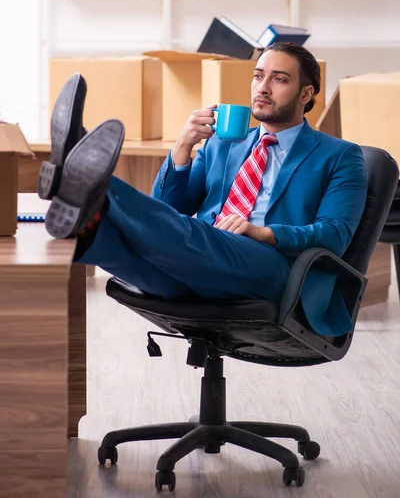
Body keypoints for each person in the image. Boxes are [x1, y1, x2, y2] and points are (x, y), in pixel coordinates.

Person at [38, 42, 367, 337]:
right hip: (202, 255)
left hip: (276, 266)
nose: (262, 88)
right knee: (127, 254)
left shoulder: (340, 156)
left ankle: (88, 180)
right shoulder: (225, 143)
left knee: (186, 236)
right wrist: (183, 146)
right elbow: (168, 208)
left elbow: (335, 234)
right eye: (258, 76)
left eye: (279, 79)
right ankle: (86, 221)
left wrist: (263, 233)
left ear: (306, 93)